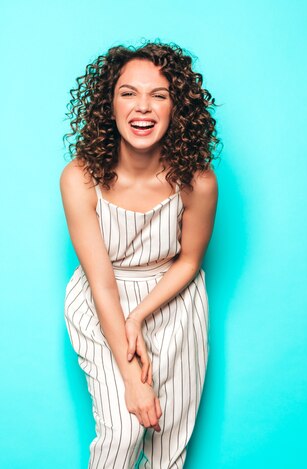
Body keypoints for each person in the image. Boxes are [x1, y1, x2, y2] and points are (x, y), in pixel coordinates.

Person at [60, 40, 221, 469]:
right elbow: (101, 282)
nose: (142, 108)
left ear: (177, 108)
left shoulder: (198, 181)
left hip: (174, 305)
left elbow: (188, 261)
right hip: (102, 304)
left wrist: (141, 314)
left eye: (159, 95)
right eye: (128, 93)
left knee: (169, 444)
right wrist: (133, 375)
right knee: (124, 429)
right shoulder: (79, 178)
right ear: (107, 106)